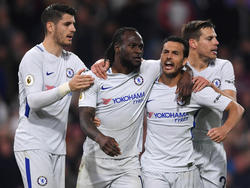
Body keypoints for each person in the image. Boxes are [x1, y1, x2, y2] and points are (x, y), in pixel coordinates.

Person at [76, 27, 192, 188]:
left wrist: (187, 75)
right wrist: (101, 138)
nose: (138, 51)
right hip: (95, 163)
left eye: (141, 47)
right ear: (117, 47)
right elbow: (84, 119)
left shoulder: (148, 69)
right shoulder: (94, 77)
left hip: (128, 165)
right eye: (133, 46)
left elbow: (177, 63)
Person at [140, 36, 244, 188]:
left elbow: (237, 108)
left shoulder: (195, 89)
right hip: (153, 170)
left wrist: (224, 129)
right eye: (165, 52)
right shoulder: (147, 85)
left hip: (186, 170)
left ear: (184, 61)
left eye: (175, 53)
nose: (169, 56)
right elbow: (120, 63)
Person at [13, 4, 94, 188]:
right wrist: (68, 86)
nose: (73, 29)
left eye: (73, 24)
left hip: (58, 148)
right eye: (67, 24)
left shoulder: (71, 60)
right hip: (33, 144)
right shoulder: (33, 57)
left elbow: (95, 84)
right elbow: (33, 101)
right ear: (50, 26)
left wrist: (102, 71)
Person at [181, 20, 238, 187]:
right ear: (193, 43)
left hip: (212, 147)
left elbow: (232, 102)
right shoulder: (177, 67)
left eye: (216, 38)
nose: (216, 42)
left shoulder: (223, 66)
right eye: (210, 38)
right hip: (183, 147)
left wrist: (211, 86)